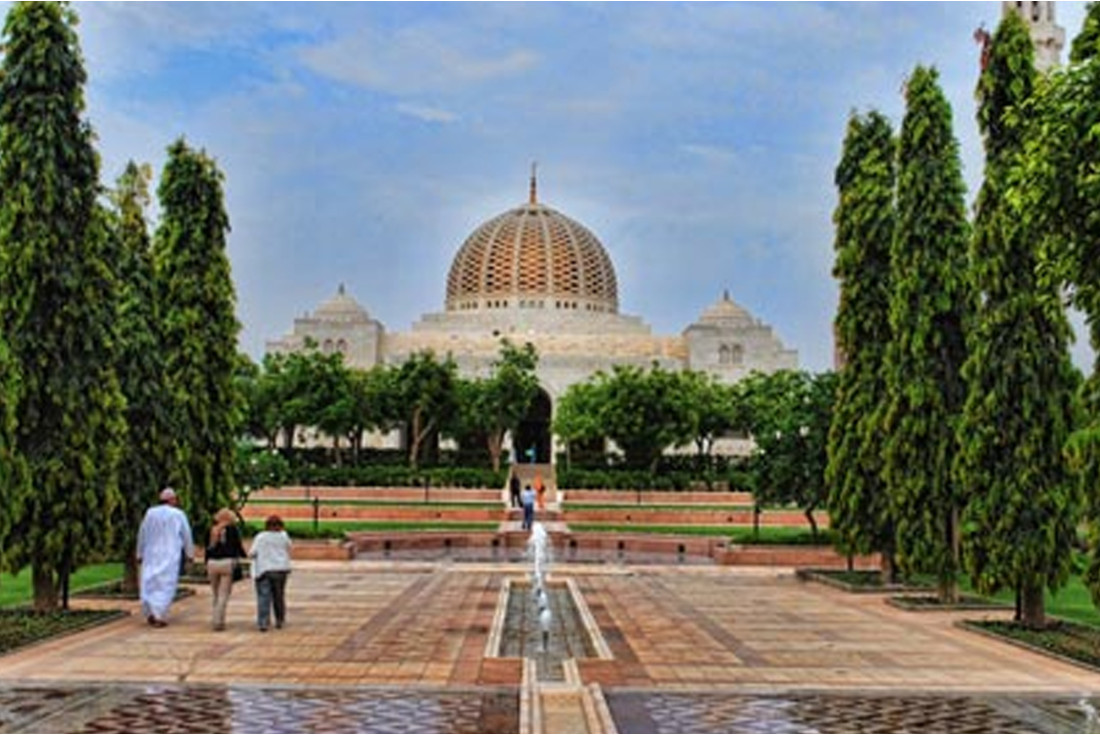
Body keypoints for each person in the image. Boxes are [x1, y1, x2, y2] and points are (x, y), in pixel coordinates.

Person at [137, 487, 194, 628]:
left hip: (151, 553)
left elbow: (142, 533)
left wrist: (139, 552)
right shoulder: (178, 514)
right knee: (166, 584)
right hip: (170, 554)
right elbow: (186, 535)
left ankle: (150, 611)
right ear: (171, 500)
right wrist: (190, 554)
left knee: (149, 581)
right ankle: (158, 615)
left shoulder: (150, 513)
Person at [249, 514, 293, 632]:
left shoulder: (261, 537)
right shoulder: (284, 536)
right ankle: (279, 619)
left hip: (264, 569)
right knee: (279, 596)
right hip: (281, 569)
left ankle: (263, 622)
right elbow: (289, 547)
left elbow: (252, 552)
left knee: (264, 596)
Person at [205, 507, 246, 631]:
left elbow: (207, 548)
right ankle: (218, 621)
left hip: (212, 563)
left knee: (216, 594)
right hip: (227, 563)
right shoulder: (232, 530)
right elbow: (238, 547)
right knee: (223, 594)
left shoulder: (211, 530)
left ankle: (216, 617)